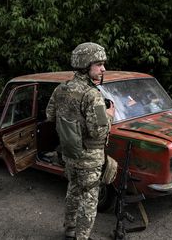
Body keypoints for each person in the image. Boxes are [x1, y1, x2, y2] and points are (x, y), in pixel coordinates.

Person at [46, 42, 115, 240]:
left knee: (73, 191)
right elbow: (99, 132)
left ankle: (69, 231)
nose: (103, 69)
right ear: (86, 65)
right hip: (89, 157)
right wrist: (110, 115)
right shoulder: (92, 95)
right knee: (89, 199)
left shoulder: (61, 89)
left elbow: (50, 115)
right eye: (99, 64)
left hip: (69, 153)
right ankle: (82, 237)